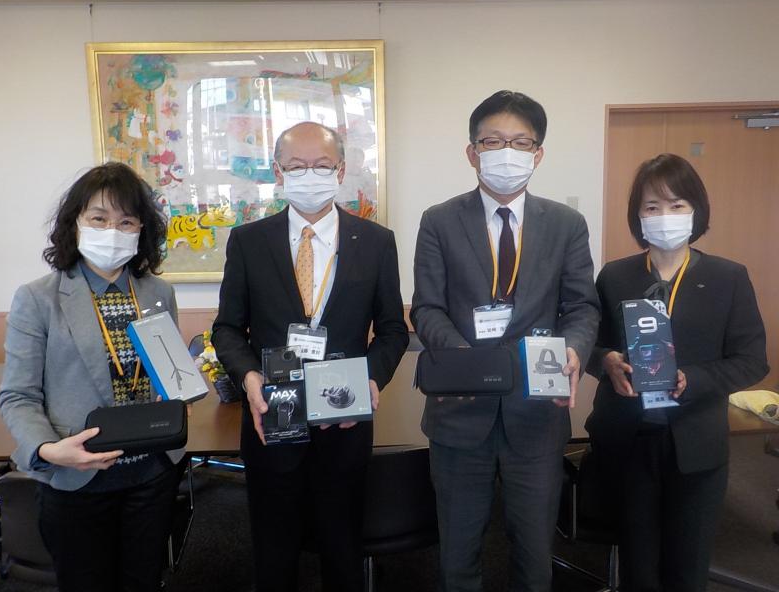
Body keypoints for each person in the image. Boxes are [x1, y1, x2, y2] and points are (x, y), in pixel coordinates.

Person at [410, 90, 600, 592]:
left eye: (520, 142)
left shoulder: (566, 224)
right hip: (459, 413)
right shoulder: (439, 220)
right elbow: (426, 307)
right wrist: (464, 360)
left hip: (537, 413)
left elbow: (581, 306)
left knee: (534, 556)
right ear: (472, 152)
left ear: (538, 154)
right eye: (493, 141)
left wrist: (575, 348)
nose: (506, 152)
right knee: (458, 554)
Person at [212, 121, 408, 592]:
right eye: (296, 166)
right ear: (278, 172)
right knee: (274, 556)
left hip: (344, 424)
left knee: (343, 553)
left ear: (340, 171)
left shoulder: (376, 241)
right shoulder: (248, 241)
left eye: (321, 165)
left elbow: (393, 330)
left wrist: (370, 379)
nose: (309, 175)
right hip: (271, 420)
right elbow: (227, 329)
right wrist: (249, 378)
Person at [585, 153, 769, 592]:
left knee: (687, 568)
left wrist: (694, 379)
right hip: (629, 440)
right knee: (637, 566)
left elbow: (752, 360)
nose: (664, 216)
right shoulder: (615, 276)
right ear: (638, 216)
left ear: (696, 211)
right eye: (652, 207)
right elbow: (590, 345)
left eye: (676, 205)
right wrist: (606, 361)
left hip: (696, 444)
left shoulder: (728, 277)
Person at [0, 162, 184, 592]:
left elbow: (169, 375)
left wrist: (181, 392)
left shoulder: (158, 292)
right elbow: (18, 396)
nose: (112, 231)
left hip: (152, 474)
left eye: (126, 221)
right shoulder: (37, 299)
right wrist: (48, 450)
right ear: (75, 222)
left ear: (142, 230)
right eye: (99, 218)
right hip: (76, 477)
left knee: (143, 581)